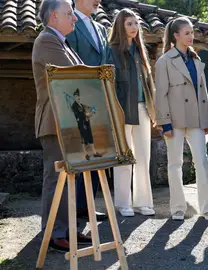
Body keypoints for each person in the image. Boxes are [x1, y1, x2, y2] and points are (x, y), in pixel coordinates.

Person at [33, 0, 92, 252]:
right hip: (55, 121)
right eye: (70, 14)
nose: (75, 19)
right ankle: (55, 234)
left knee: (70, 177)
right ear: (54, 16)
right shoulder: (47, 40)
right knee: (56, 178)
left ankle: (67, 230)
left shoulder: (60, 41)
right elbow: (72, 74)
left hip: (68, 120)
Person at [155, 17, 208, 222]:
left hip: (197, 120)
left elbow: (204, 93)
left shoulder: (197, 60)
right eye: (187, 33)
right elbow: (160, 95)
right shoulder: (164, 61)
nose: (191, 36)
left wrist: (206, 120)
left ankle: (206, 208)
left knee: (202, 162)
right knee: (175, 164)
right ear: (176, 36)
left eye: (192, 32)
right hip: (174, 120)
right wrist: (165, 123)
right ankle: (178, 208)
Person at [66, 0, 110, 221]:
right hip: (78, 100)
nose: (98, 1)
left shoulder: (101, 28)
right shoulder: (69, 22)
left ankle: (88, 206)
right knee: (80, 152)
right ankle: (75, 207)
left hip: (100, 101)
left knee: (96, 152)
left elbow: (107, 62)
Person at [110, 8, 156, 217]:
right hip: (121, 110)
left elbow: (148, 84)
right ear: (120, 26)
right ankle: (123, 203)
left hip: (142, 109)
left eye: (136, 23)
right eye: (129, 23)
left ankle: (144, 201)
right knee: (123, 157)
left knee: (143, 157)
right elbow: (107, 84)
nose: (134, 27)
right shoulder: (112, 51)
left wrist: (154, 110)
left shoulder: (140, 51)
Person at [71, 88, 102, 160]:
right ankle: (86, 154)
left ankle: (94, 153)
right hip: (81, 124)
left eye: (78, 96)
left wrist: (91, 112)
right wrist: (86, 114)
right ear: (74, 97)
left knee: (90, 137)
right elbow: (77, 115)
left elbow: (88, 110)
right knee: (84, 139)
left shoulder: (82, 105)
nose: (77, 97)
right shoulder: (74, 106)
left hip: (86, 122)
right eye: (75, 96)